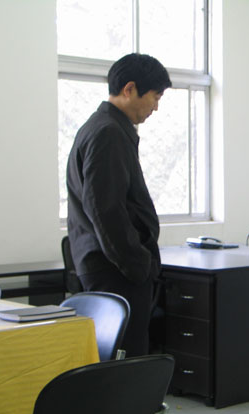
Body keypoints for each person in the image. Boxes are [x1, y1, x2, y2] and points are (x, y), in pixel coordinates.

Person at [66, 53, 171, 357]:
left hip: (108, 266)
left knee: (115, 360)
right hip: (115, 270)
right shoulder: (109, 132)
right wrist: (139, 265)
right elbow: (106, 210)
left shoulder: (102, 127)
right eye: (155, 96)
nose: (156, 107)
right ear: (130, 89)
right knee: (125, 362)